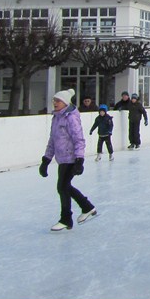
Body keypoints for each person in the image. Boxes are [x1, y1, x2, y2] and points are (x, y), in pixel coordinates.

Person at [40, 89, 98, 231]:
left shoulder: (71, 117)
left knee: (62, 187)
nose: (55, 103)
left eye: (58, 101)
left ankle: (67, 218)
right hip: (62, 159)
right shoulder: (57, 117)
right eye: (54, 100)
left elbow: (79, 139)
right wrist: (46, 160)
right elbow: (52, 140)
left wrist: (79, 160)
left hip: (71, 158)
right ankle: (87, 207)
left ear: (65, 102)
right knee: (64, 187)